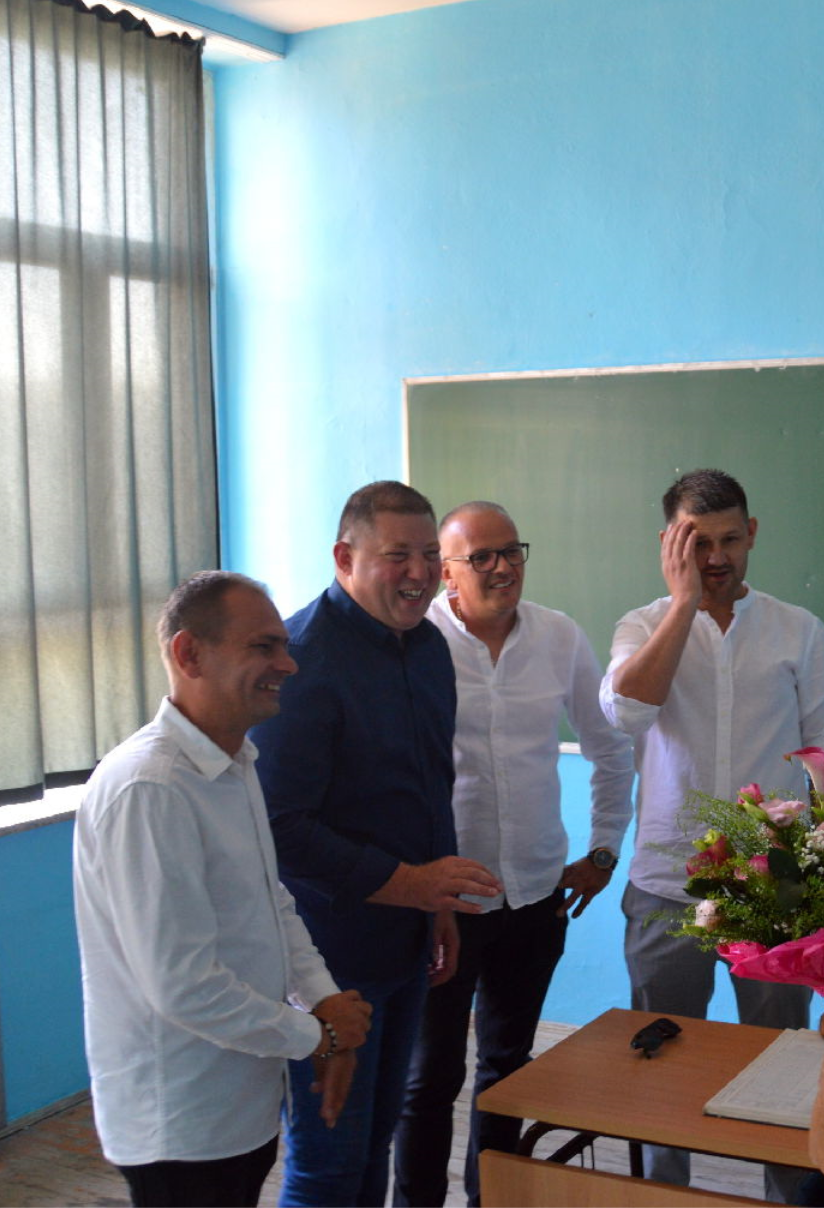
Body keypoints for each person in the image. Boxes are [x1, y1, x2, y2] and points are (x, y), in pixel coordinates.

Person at [74, 571, 374, 1208]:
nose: (287, 664)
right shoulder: (150, 788)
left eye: (283, 646)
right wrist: (319, 1036)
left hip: (241, 1104)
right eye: (263, 647)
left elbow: (273, 904)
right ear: (189, 654)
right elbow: (183, 985)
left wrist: (323, 1000)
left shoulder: (234, 761)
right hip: (179, 1123)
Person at [601, 468, 824, 1198]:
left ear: (753, 535)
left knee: (783, 1066)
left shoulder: (798, 629)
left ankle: (787, 1195)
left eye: (730, 540)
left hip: (775, 892)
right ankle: (661, 1196)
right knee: (659, 1062)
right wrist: (684, 604)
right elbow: (628, 714)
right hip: (666, 887)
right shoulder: (642, 626)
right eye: (698, 543)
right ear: (669, 544)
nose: (717, 557)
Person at [254, 482, 503, 1208]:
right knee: (326, 1166)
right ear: (345, 558)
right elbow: (278, 826)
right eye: (398, 556)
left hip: (405, 947)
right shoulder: (298, 661)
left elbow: (431, 788)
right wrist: (412, 885)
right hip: (325, 962)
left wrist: (438, 907)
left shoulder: (427, 647)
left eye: (429, 554)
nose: (420, 573)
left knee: (375, 1145)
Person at [393, 502, 635, 1208]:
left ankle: (489, 1200)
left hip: (534, 895)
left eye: (512, 551)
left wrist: (603, 849)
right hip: (446, 903)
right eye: (482, 557)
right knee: (428, 1078)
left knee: (507, 1069)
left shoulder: (558, 636)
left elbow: (610, 747)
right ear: (446, 572)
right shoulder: (414, 643)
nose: (502, 567)